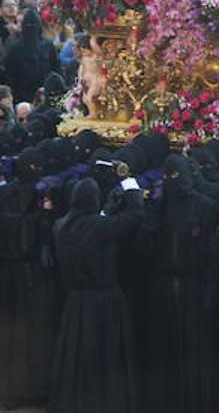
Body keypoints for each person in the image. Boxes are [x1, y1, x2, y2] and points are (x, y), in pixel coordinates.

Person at [48, 175, 145, 412]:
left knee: (77, 356)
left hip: (75, 302)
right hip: (105, 301)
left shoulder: (60, 226)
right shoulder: (100, 227)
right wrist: (130, 185)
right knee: (106, 356)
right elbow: (135, 216)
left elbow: (88, 231)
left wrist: (105, 212)